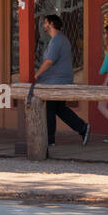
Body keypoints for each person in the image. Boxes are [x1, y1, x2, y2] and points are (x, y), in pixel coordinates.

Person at [34, 13, 89, 146]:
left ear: (51, 24)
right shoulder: (58, 39)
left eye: (45, 23)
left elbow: (49, 61)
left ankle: (49, 140)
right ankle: (82, 127)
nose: (43, 25)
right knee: (59, 109)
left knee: (50, 110)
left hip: (55, 81)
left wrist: (36, 75)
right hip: (58, 80)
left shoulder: (57, 40)